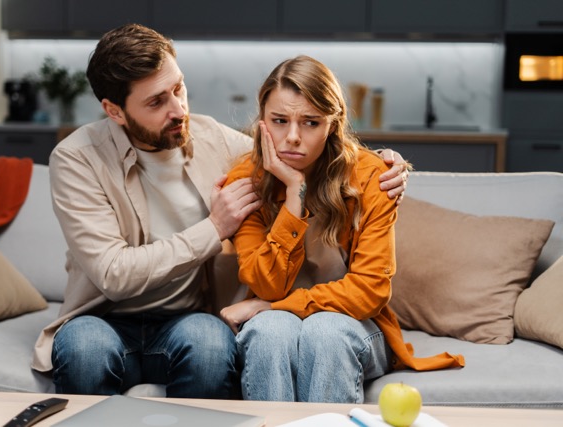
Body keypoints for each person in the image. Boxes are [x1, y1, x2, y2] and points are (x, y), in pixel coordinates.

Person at [30, 23, 411, 398]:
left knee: (211, 347)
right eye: (156, 102)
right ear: (114, 111)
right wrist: (214, 228)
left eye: (178, 88)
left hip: (186, 317)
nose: (179, 110)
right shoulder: (76, 159)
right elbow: (114, 274)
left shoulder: (213, 139)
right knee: (85, 350)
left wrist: (377, 164)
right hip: (103, 316)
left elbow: (294, 147)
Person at [220, 55, 464, 403]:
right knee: (270, 332)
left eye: (310, 123)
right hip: (275, 325)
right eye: (279, 120)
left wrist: (272, 307)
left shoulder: (372, 178)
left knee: (325, 331)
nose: (292, 137)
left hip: (352, 327)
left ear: (332, 126)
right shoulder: (247, 180)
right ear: (261, 122)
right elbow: (265, 284)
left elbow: (369, 291)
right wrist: (294, 195)